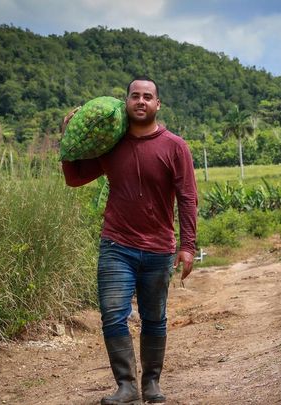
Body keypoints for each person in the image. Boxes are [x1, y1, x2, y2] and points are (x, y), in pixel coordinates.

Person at [61, 76, 198, 404]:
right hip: (116, 245)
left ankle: (151, 383)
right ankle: (126, 385)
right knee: (112, 313)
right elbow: (74, 178)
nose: (140, 101)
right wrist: (68, 138)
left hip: (158, 249)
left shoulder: (175, 146)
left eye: (147, 97)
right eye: (134, 96)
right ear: (126, 102)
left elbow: (187, 197)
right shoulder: (112, 144)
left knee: (154, 317)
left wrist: (188, 246)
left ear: (157, 104)